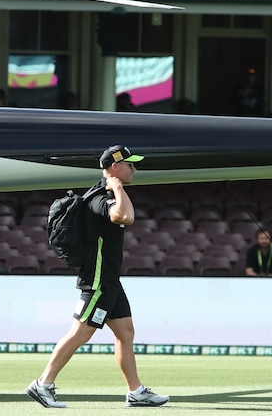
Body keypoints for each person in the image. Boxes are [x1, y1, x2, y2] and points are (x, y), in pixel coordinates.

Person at [25, 145, 169, 409]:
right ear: (114, 167)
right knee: (81, 332)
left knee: (125, 332)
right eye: (129, 164)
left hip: (110, 281)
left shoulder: (106, 193)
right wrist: (117, 188)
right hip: (98, 281)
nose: (134, 169)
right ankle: (43, 384)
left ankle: (136, 392)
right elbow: (126, 216)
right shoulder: (100, 197)